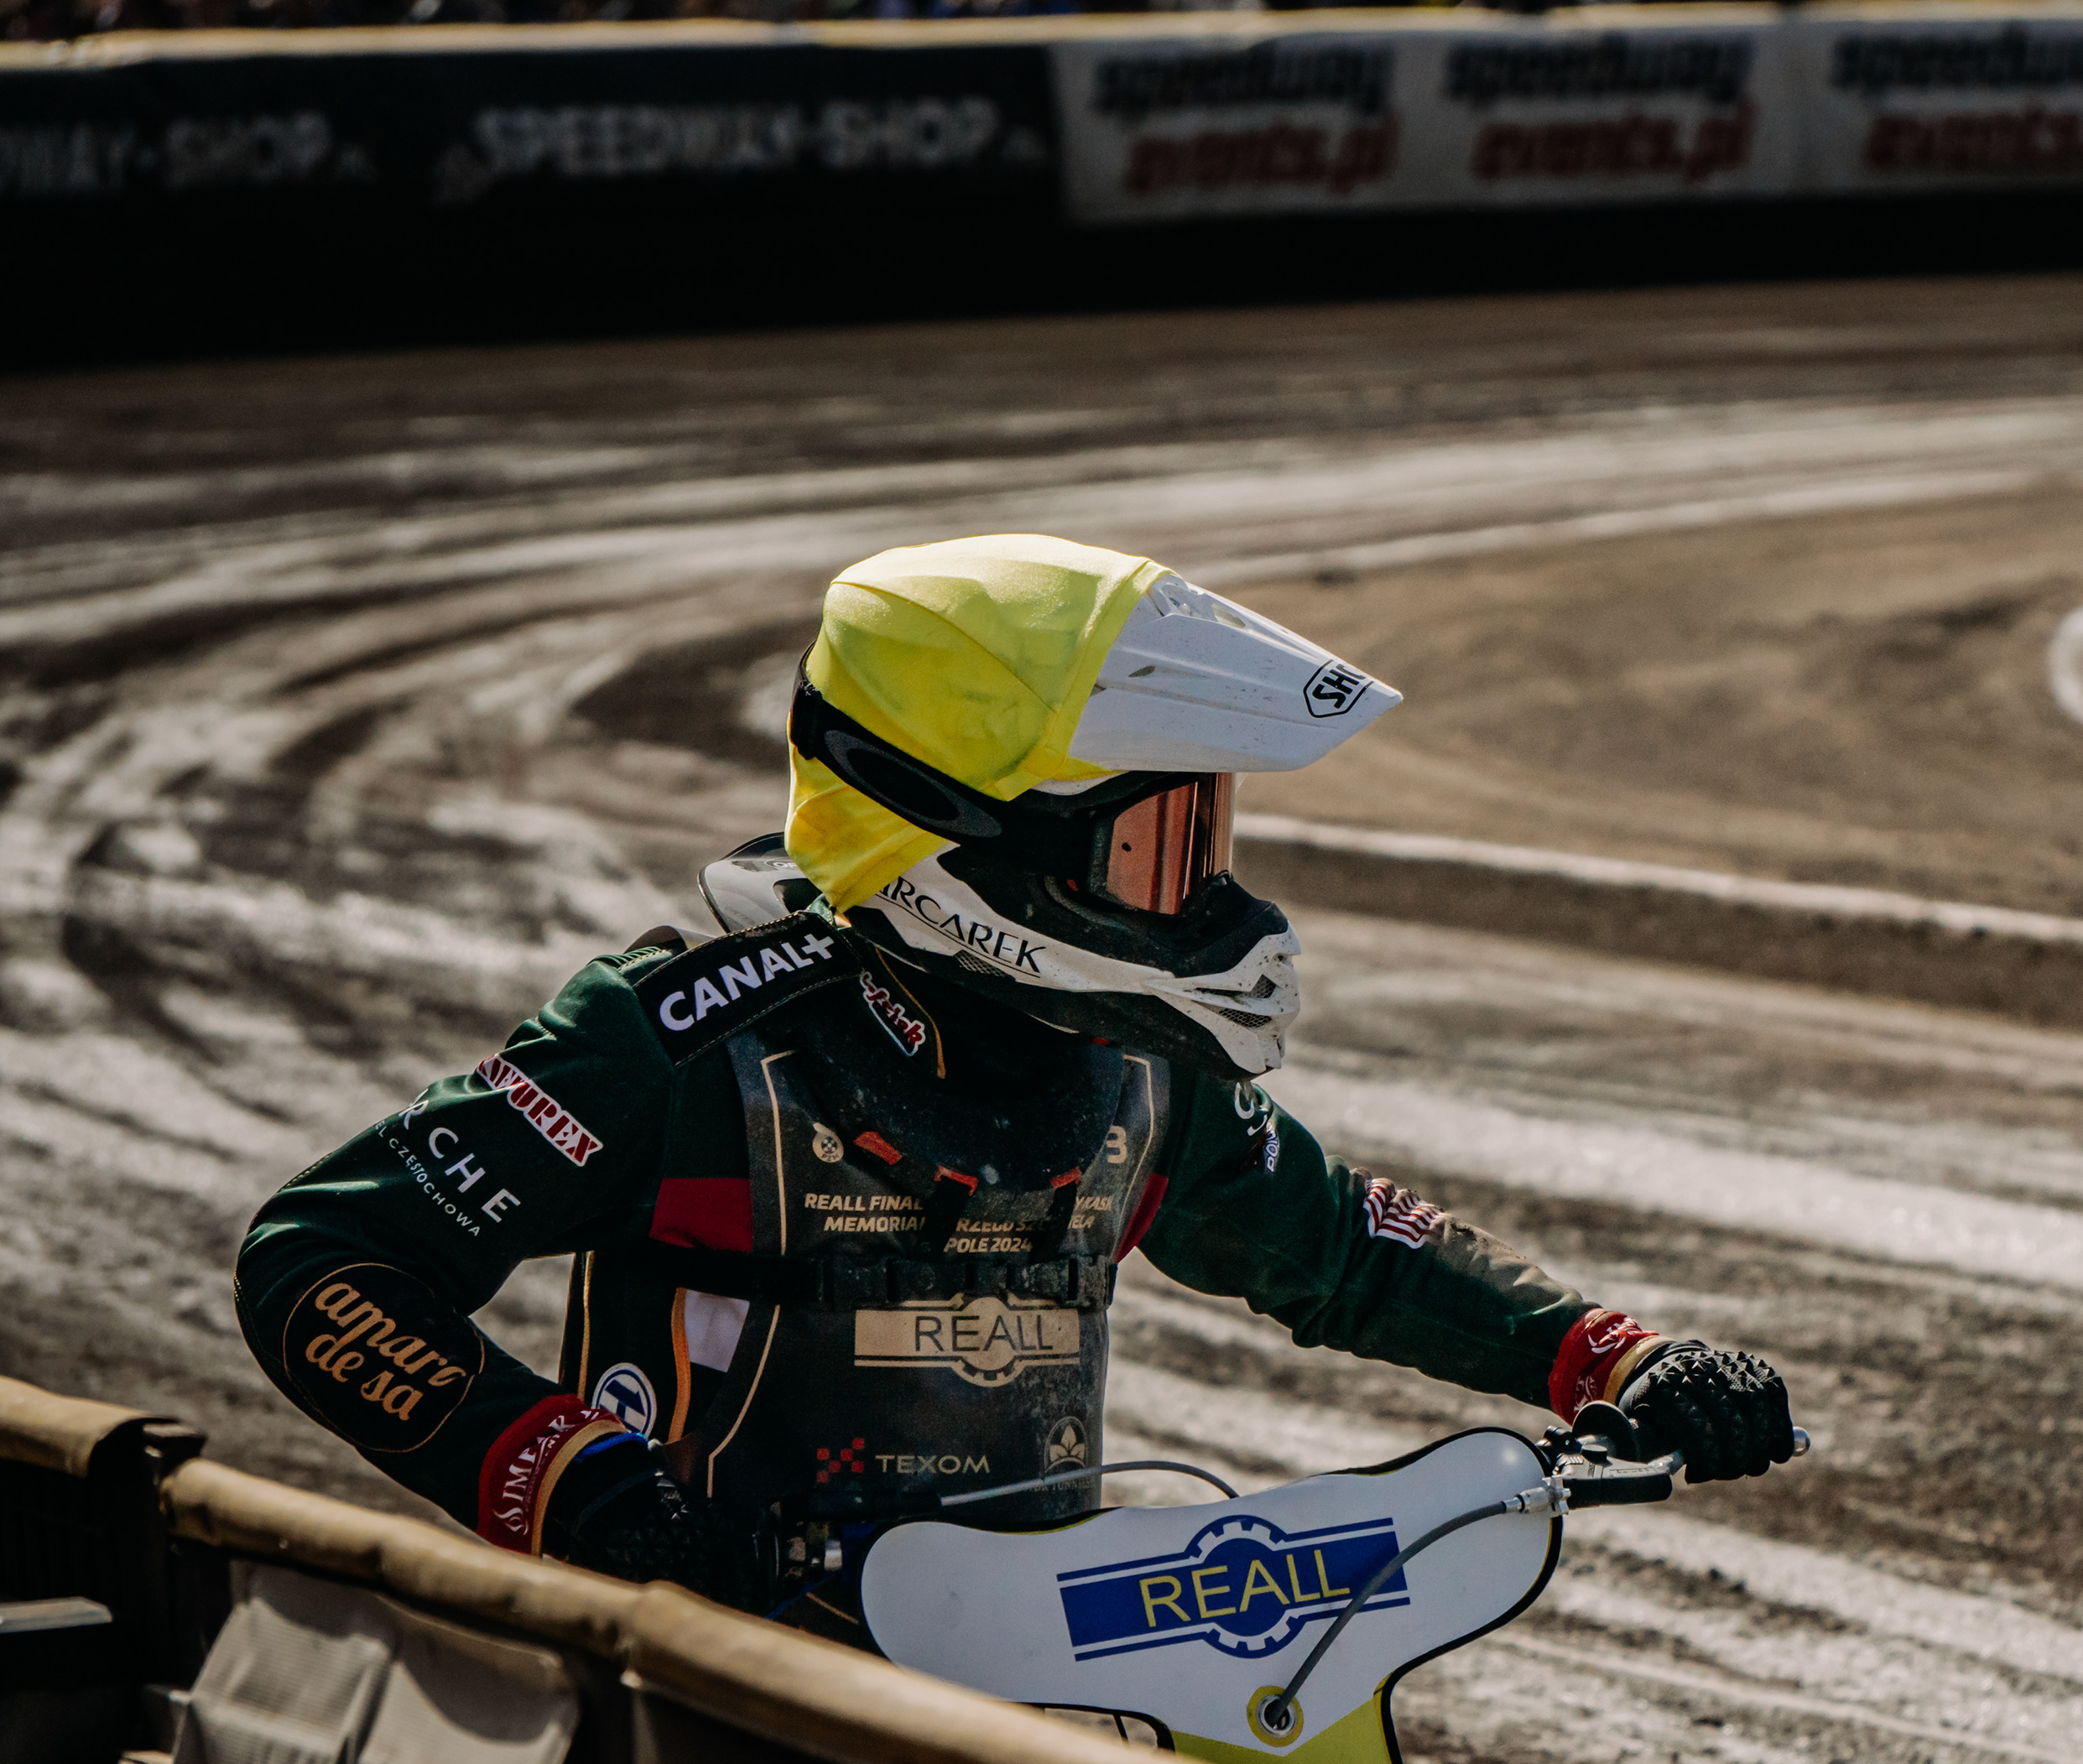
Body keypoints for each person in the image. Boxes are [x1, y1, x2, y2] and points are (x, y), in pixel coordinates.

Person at [234, 534, 1797, 1639]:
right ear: (965, 847)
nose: (1201, 896)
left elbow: (1343, 1247)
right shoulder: (689, 1042)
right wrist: (565, 1476)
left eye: (1205, 837)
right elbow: (323, 1260)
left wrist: (1610, 1355)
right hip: (706, 1688)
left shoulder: (1134, 1073)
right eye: (1153, 847)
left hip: (1040, 1678)